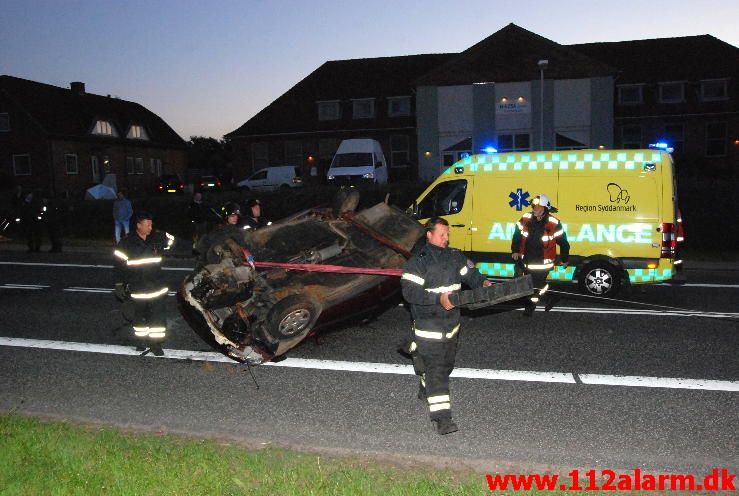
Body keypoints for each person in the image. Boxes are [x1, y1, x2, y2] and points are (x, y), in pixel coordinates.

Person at [400, 217, 492, 435]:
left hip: (451, 324)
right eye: (441, 234)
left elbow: (470, 274)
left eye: (447, 234)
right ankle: (442, 419)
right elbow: (410, 292)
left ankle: (425, 383)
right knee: (438, 372)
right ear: (429, 235)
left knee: (446, 365)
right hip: (428, 324)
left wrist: (483, 283)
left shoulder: (454, 256)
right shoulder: (418, 261)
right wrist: (438, 299)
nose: (446, 238)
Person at [114, 212, 174, 354]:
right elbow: (119, 265)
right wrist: (118, 283)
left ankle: (156, 344)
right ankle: (140, 340)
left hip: (156, 286)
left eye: (151, 224)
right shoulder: (126, 242)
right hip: (138, 286)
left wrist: (165, 236)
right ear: (138, 225)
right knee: (139, 316)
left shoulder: (157, 237)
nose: (150, 227)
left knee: (157, 317)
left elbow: (172, 242)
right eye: (147, 225)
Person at [511, 193, 569, 317]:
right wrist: (515, 250)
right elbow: (516, 235)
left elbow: (563, 242)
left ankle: (529, 308)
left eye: (538, 206)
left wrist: (565, 258)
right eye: (534, 206)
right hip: (527, 259)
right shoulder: (526, 218)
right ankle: (552, 297)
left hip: (544, 261)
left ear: (545, 208)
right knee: (530, 285)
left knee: (534, 286)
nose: (535, 209)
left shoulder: (554, 223)